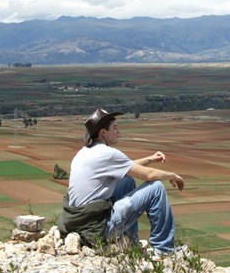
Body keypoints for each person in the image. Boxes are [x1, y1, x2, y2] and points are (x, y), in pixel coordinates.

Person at [57, 108, 184, 260]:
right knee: (156, 188)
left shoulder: (84, 152)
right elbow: (149, 175)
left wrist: (150, 159)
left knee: (126, 180)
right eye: (115, 128)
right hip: (97, 230)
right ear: (103, 132)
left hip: (78, 226)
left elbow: (125, 168)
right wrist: (173, 175)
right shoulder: (107, 154)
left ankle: (130, 242)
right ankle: (164, 250)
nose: (119, 131)